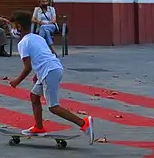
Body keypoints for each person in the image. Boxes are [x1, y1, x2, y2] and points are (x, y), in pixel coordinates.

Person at [9, 11, 95, 143]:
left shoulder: (23, 44)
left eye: (13, 26)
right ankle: (38, 127)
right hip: (54, 68)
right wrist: (38, 75)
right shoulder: (37, 37)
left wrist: (16, 81)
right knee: (34, 96)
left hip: (49, 72)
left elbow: (27, 67)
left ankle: (83, 123)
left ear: (19, 27)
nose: (12, 29)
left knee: (53, 107)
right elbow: (43, 55)